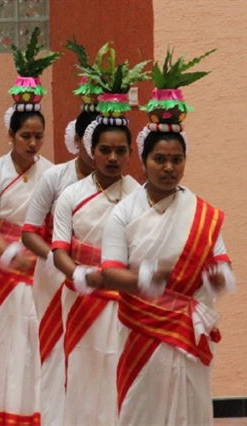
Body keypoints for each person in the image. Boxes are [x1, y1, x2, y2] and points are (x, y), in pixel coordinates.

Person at [101, 69, 233, 425]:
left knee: (189, 412)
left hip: (188, 333)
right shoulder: (124, 213)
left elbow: (220, 261)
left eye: (177, 160)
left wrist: (218, 279)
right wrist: (144, 277)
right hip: (140, 332)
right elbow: (109, 273)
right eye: (160, 159)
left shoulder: (201, 213)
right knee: (140, 411)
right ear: (143, 161)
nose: (169, 168)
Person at [51, 116, 140, 425]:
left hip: (126, 298)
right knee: (82, 373)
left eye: (120, 150)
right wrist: (79, 275)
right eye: (105, 150)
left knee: (121, 370)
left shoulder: (140, 197)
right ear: (91, 150)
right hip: (80, 299)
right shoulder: (71, 196)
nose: (113, 158)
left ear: (131, 153)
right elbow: (59, 250)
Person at [21, 110, 97, 426]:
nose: (102, 153)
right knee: (56, 352)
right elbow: (29, 231)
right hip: (55, 274)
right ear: (77, 141)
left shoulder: (121, 184)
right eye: (94, 143)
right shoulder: (55, 178)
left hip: (100, 277)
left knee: (94, 348)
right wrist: (59, 259)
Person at [0, 106, 52, 425]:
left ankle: (40, 415)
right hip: (1, 271)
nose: (32, 143)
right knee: (6, 349)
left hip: (40, 270)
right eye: (25, 136)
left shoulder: (51, 173)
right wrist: (10, 255)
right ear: (10, 135)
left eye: (38, 136)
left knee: (37, 346)